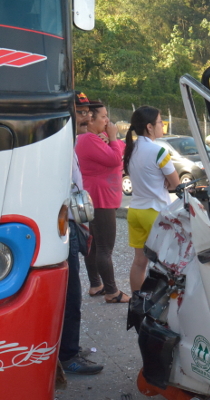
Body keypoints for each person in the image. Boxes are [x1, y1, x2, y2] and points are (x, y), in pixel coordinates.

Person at [58, 91, 104, 375]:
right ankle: (67, 355)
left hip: (70, 225)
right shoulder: (59, 144)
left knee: (70, 294)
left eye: (87, 112)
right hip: (63, 227)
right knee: (70, 295)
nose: (85, 117)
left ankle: (66, 348)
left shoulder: (69, 142)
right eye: (80, 112)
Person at [75, 102, 130, 303]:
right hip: (101, 198)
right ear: (90, 119)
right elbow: (116, 159)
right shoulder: (90, 139)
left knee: (95, 244)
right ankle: (112, 291)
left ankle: (96, 284)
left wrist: (110, 140)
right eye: (104, 117)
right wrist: (113, 138)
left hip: (96, 195)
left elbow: (122, 149)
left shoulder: (89, 138)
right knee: (105, 247)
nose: (108, 121)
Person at [124, 106, 179, 291]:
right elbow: (176, 184)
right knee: (164, 263)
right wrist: (165, 183)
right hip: (155, 212)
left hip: (135, 210)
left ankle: (137, 302)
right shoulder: (159, 151)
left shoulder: (131, 149)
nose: (163, 125)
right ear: (149, 126)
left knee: (139, 262)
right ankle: (160, 303)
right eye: (160, 122)